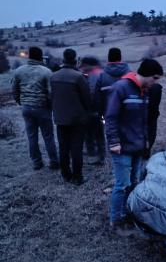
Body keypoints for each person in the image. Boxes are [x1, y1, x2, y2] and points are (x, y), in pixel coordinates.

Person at [105, 59, 163, 235]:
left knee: (134, 184)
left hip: (137, 146)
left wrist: (146, 141)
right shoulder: (120, 88)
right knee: (122, 184)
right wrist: (114, 142)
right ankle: (116, 221)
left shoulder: (144, 91)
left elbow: (144, 120)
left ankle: (128, 213)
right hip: (122, 147)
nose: (156, 82)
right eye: (154, 77)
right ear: (145, 74)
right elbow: (111, 117)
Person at [11, 47, 59, 170]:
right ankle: (54, 161)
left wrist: (21, 102)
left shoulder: (19, 71)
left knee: (32, 136)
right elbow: (51, 92)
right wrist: (50, 106)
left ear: (29, 56)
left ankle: (37, 162)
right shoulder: (46, 72)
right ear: (41, 56)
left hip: (26, 107)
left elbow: (14, 90)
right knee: (48, 136)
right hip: (42, 107)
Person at [51, 48, 91, 185]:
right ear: (75, 61)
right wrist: (87, 113)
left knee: (63, 147)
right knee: (76, 148)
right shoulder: (78, 77)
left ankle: (66, 174)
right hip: (77, 119)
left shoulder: (53, 76)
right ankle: (77, 176)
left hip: (60, 118)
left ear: (63, 60)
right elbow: (86, 98)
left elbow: (52, 96)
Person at [79, 56, 105, 165]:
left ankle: (92, 155)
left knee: (88, 133)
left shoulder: (86, 75)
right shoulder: (103, 73)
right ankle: (101, 153)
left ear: (89, 65)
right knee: (99, 132)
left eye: (84, 65)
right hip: (99, 109)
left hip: (88, 109)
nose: (83, 67)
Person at [94, 48, 132, 118]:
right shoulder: (130, 73)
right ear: (120, 57)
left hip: (108, 114)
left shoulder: (101, 76)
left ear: (109, 58)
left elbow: (98, 98)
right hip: (127, 115)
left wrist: (101, 114)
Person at [146, 83, 162, 158]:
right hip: (150, 116)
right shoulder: (155, 87)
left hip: (146, 115)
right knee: (150, 136)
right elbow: (154, 105)